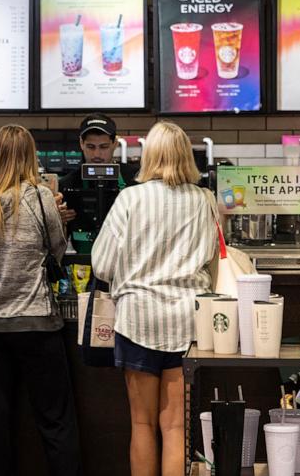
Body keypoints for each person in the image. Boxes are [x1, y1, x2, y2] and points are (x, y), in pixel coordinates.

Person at [0, 124, 80, 476]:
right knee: (55, 421)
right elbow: (57, 254)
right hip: (36, 325)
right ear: (31, 157)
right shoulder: (40, 198)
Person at [92, 121, 218, 476]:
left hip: (137, 320)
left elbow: (102, 264)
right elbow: (212, 257)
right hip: (187, 321)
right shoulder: (204, 200)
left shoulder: (129, 198)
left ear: (149, 156)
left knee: (143, 425)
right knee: (176, 427)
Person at [58, 113, 139, 226]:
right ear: (81, 143)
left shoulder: (135, 179)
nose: (97, 154)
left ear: (114, 143)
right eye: (91, 147)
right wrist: (57, 219)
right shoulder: (66, 184)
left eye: (103, 147)